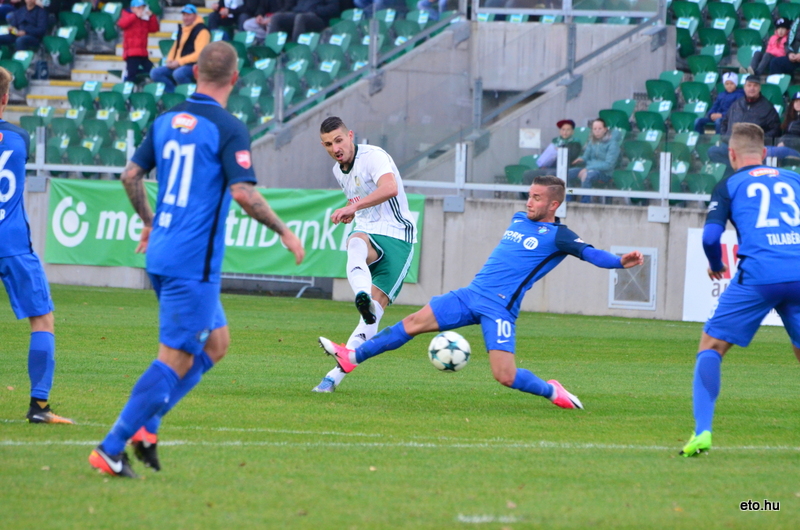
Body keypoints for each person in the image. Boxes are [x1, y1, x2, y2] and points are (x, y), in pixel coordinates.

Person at [88, 42, 305, 478]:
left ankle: (147, 427)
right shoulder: (228, 127)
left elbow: (131, 175)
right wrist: (283, 230)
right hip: (192, 262)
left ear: (196, 74)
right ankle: (111, 447)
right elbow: (242, 192)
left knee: (216, 343)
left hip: (164, 252)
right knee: (175, 357)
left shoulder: (166, 119)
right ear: (235, 79)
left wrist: (148, 221)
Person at [320, 175, 644, 409]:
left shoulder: (559, 236)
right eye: (529, 195)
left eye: (537, 198)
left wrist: (619, 261)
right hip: (470, 295)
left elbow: (591, 254)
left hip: (499, 310)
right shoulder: (518, 218)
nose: (529, 202)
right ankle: (351, 358)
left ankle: (551, 390)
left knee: (504, 376)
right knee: (413, 322)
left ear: (554, 204)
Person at [680, 123, 800, 457]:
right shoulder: (795, 179)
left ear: (732, 155)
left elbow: (708, 237)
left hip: (761, 274)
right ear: (765, 153)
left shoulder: (729, 184)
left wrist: (717, 263)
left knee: (712, 346)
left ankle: (702, 432)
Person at [312, 116, 418, 393]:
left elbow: (389, 188)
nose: (335, 148)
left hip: (398, 236)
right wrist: (352, 208)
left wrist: (352, 208)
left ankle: (332, 378)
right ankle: (363, 297)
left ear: (350, 135)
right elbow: (358, 196)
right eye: (327, 144)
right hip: (369, 230)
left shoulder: (374, 156)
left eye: (338, 140)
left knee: (372, 317)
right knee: (355, 242)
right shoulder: (339, 171)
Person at [0, 66, 73, 425]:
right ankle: (39, 407)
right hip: (11, 242)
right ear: (5, 99)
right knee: (42, 320)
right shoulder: (18, 137)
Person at [707, 75, 799, 175]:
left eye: (755, 85)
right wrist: (726, 137)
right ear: (744, 88)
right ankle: (735, 175)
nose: (752, 88)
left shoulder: (767, 107)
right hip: (733, 144)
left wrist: (757, 141)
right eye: (749, 85)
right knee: (713, 151)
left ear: (759, 88)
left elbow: (775, 130)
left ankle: (741, 175)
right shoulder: (736, 104)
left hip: (752, 148)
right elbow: (724, 122)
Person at [150, 4, 210, 93]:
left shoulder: (202, 31)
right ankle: (175, 95)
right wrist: (170, 60)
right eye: (184, 15)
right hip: (179, 64)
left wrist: (179, 62)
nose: (185, 18)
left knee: (179, 73)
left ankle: (191, 96)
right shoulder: (183, 29)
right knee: (155, 73)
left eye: (188, 15)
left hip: (195, 65)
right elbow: (175, 47)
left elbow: (199, 54)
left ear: (195, 16)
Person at [567, 118, 620, 203]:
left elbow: (609, 165)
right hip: (589, 168)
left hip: (605, 173)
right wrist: (582, 159)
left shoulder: (612, 144)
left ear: (605, 129)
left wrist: (588, 168)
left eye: (600, 129)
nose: (597, 131)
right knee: (567, 174)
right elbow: (586, 156)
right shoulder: (592, 141)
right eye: (594, 129)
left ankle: (585, 202)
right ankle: (569, 197)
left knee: (588, 176)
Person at [523, 118, 582, 183]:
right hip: (549, 167)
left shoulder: (575, 143)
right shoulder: (555, 141)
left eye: (568, 130)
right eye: (563, 129)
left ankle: (549, 193)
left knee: (549, 175)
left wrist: (560, 151)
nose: (565, 132)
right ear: (560, 131)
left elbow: (572, 156)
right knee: (528, 174)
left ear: (572, 131)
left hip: (564, 169)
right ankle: (530, 193)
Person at [117, 0, 160, 83]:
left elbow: (154, 29)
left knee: (152, 71)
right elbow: (122, 24)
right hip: (131, 53)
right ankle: (128, 91)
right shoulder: (128, 16)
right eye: (138, 8)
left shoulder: (144, 19)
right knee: (131, 75)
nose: (141, 10)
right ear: (132, 8)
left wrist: (152, 17)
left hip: (143, 52)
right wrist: (135, 16)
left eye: (143, 7)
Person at [267, 0, 340, 43]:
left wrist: (315, 10)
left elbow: (333, 8)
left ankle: (296, 49)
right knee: (277, 17)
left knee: (300, 17)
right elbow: (296, 6)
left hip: (318, 18)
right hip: (299, 13)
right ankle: (271, 50)